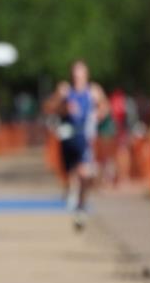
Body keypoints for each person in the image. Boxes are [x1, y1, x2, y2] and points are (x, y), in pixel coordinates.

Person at [43, 60, 109, 231]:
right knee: (70, 174)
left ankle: (81, 206)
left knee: (84, 172)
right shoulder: (65, 90)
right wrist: (63, 106)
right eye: (74, 74)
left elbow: (105, 107)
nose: (77, 77)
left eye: (80, 74)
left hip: (83, 137)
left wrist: (97, 114)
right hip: (67, 138)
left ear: (86, 75)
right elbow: (48, 107)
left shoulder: (93, 91)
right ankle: (72, 196)